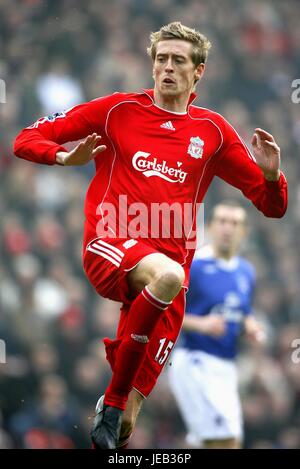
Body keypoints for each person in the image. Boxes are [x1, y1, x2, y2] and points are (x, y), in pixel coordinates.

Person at [13, 21, 287, 449]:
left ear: (198, 72)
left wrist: (272, 176)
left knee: (123, 429)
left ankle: (118, 407)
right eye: (161, 59)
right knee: (169, 277)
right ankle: (115, 396)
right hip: (109, 243)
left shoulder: (212, 133)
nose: (167, 68)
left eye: (179, 60)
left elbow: (273, 207)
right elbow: (25, 139)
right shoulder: (116, 110)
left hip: (168, 278)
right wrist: (65, 157)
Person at [168, 201, 264, 449]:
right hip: (196, 361)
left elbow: (242, 309)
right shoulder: (193, 266)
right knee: (226, 440)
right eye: (221, 221)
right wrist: (200, 324)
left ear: (244, 232)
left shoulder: (246, 271)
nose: (227, 228)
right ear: (210, 227)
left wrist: (250, 324)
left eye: (235, 223)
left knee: (218, 441)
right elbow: (165, 314)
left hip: (226, 366)